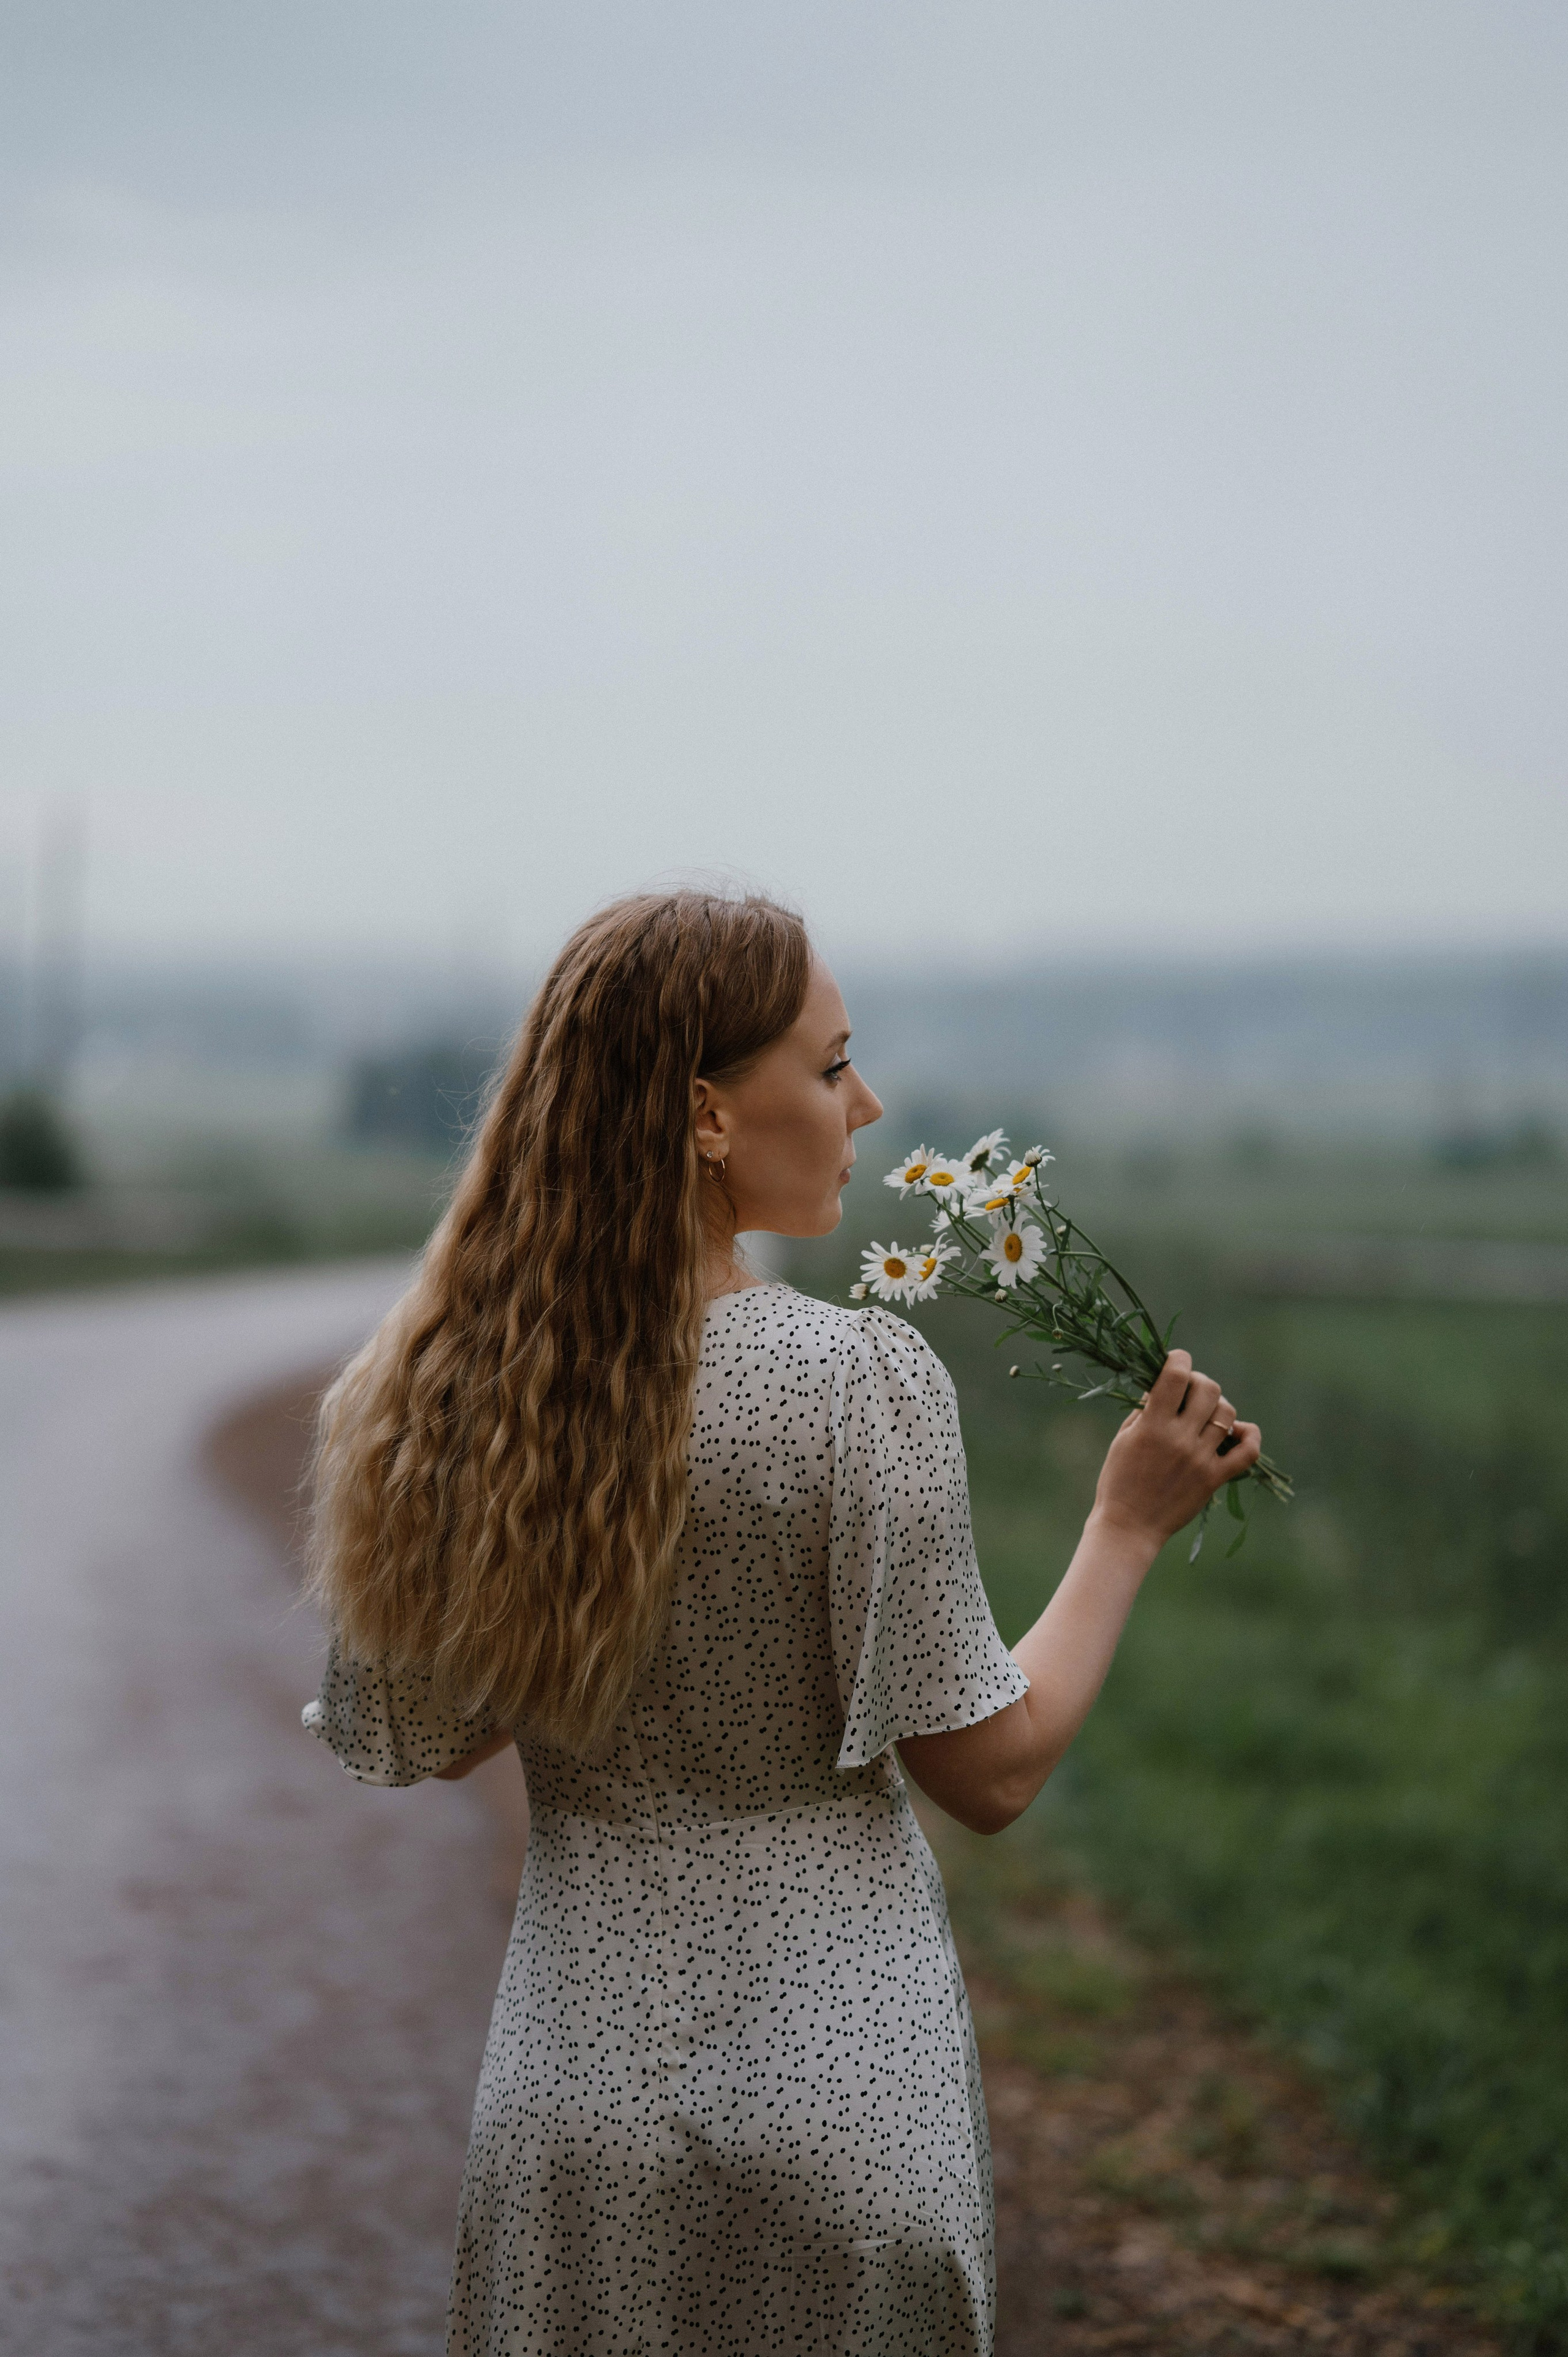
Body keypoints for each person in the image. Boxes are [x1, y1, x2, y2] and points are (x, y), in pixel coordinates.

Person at [302, 888, 1261, 2357]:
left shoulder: (461, 1401)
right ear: (702, 1113)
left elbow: (435, 1738)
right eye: (828, 1067)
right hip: (844, 2105)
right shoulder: (848, 1382)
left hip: (576, 2116)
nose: (866, 1102)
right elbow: (988, 1773)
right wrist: (1125, 1524)